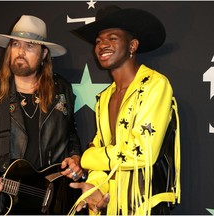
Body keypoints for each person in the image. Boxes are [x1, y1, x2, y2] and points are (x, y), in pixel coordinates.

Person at [68, 5, 181, 215]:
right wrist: (96, 187)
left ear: (133, 45)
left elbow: (142, 151)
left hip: (145, 205)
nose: (102, 45)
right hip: (111, 207)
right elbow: (105, 152)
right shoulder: (104, 98)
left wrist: (87, 157)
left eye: (112, 38)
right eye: (99, 41)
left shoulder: (155, 85)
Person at [0, 15, 84, 215]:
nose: (20, 52)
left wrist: (75, 158)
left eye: (30, 46)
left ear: (44, 53)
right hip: (4, 202)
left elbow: (70, 133)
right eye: (15, 44)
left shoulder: (61, 89)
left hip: (55, 201)